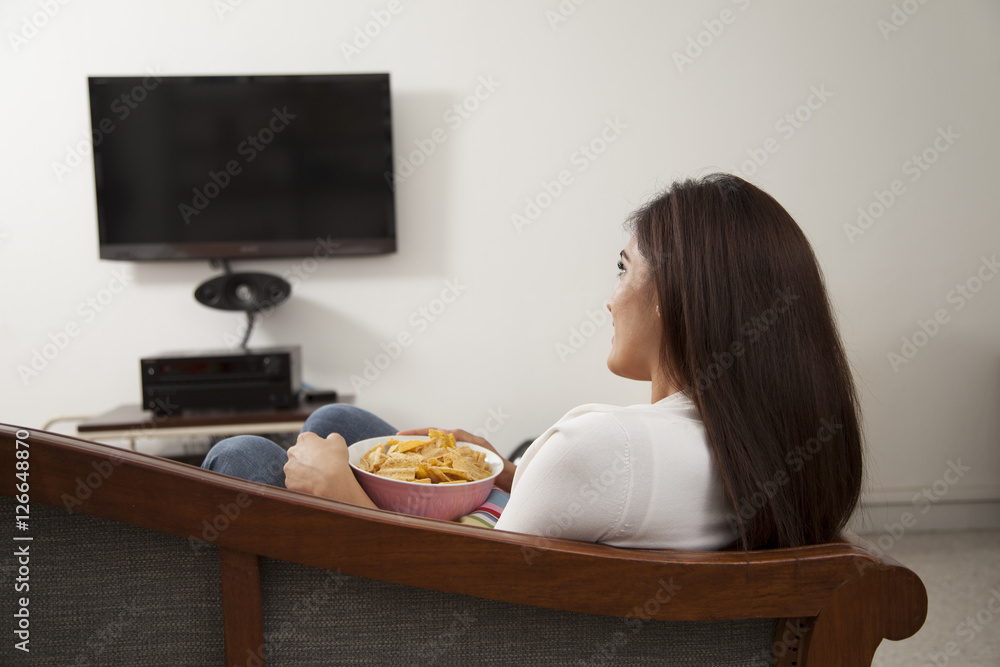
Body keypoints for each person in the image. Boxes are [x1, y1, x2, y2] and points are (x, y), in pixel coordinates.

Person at [202, 173, 863, 551]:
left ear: (672, 297)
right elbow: (619, 509)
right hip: (547, 568)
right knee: (338, 422)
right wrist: (517, 474)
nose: (610, 300)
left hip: (439, 608)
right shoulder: (779, 444)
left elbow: (467, 590)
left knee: (243, 455)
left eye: (623, 269)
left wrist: (344, 500)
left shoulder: (598, 445)